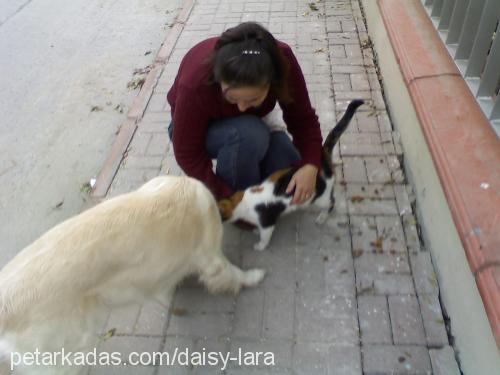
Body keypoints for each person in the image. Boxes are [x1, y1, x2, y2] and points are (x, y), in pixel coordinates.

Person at [167, 22, 322, 205]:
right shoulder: (196, 84)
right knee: (249, 135)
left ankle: (253, 182)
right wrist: (227, 197)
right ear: (218, 81)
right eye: (231, 98)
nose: (241, 107)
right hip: (198, 128)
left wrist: (311, 164)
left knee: (287, 171)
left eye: (253, 100)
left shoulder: (282, 61)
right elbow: (187, 153)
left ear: (272, 83)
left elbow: (303, 119)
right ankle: (240, 201)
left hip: (255, 124)